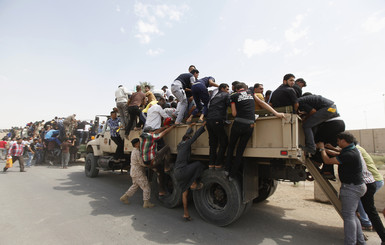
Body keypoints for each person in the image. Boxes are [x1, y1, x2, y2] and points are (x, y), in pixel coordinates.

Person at [225, 82, 285, 180]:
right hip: (250, 125)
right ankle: (232, 175)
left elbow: (235, 113)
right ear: (245, 88)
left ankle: (227, 169)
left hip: (238, 124)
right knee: (240, 151)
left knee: (231, 147)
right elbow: (262, 103)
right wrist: (276, 113)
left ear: (236, 89)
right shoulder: (251, 94)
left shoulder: (234, 96)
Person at [317, 132, 367, 245]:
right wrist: (326, 148)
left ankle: (350, 242)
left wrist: (321, 150)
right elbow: (337, 153)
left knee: (348, 217)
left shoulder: (349, 155)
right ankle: (361, 241)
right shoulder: (352, 150)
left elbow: (328, 161)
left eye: (339, 141)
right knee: (352, 215)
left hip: (351, 188)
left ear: (344, 141)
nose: (338, 143)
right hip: (357, 186)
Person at [174, 123, 206, 221]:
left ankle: (186, 214)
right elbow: (195, 136)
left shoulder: (180, 145)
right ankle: (193, 183)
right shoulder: (187, 143)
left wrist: (190, 127)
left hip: (177, 173)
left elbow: (187, 135)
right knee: (199, 164)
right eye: (189, 138)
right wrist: (203, 126)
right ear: (187, 139)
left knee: (184, 193)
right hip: (183, 171)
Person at [356, 145, 385, 239]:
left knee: (363, 202)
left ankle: (366, 222)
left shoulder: (356, 150)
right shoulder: (359, 148)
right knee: (365, 203)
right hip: (375, 179)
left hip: (372, 180)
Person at [140, 125, 175, 197]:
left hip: (147, 163)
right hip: (153, 160)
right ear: (150, 132)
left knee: (160, 173)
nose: (153, 132)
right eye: (152, 131)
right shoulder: (150, 136)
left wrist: (164, 127)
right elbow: (163, 133)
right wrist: (172, 127)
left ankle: (161, 191)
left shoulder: (144, 136)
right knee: (167, 148)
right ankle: (166, 167)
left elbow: (156, 132)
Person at [120, 138, 155, 208]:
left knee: (135, 186)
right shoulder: (137, 152)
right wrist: (150, 165)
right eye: (139, 142)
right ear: (136, 144)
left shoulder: (134, 151)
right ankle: (146, 202)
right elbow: (141, 163)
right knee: (146, 187)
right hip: (138, 172)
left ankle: (124, 197)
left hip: (133, 171)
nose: (140, 143)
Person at [206, 83, 230, 169]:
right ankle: (218, 163)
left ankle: (211, 164)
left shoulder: (214, 97)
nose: (228, 91)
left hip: (209, 121)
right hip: (217, 120)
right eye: (227, 89)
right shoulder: (226, 95)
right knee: (224, 141)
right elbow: (230, 105)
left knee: (213, 144)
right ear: (223, 88)